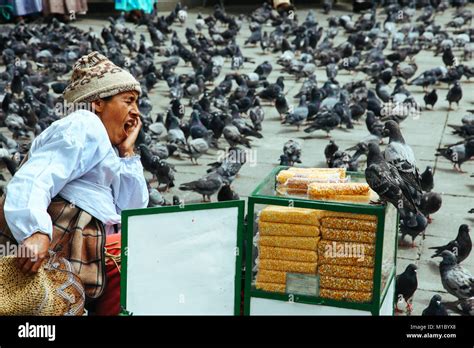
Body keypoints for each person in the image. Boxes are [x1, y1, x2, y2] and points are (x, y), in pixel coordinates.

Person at [0, 51, 149, 315]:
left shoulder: (106, 146)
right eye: (129, 101)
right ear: (97, 103)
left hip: (88, 259)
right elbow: (36, 176)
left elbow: (132, 210)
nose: (136, 112)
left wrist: (127, 153)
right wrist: (35, 231)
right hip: (68, 252)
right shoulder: (84, 125)